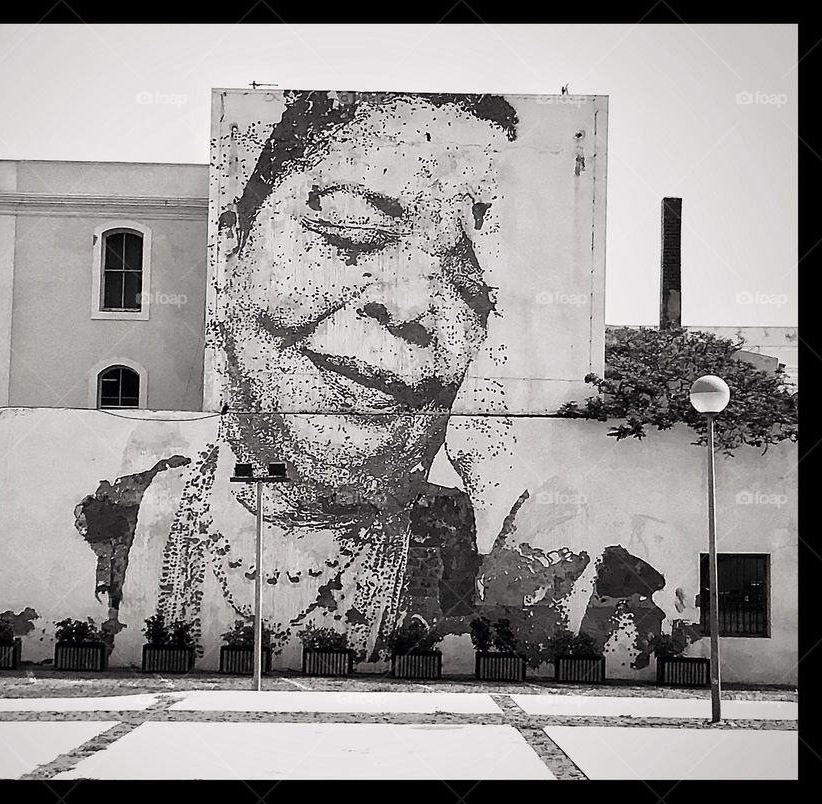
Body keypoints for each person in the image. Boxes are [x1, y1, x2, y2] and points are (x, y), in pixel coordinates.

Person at [101, 90, 664, 669]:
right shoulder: (119, 517)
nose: (409, 305)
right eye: (352, 231)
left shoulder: (479, 545)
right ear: (231, 247)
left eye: (471, 285)